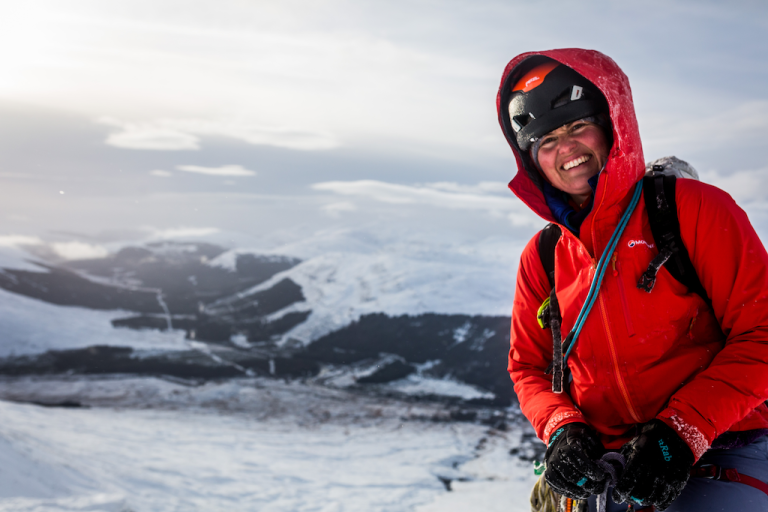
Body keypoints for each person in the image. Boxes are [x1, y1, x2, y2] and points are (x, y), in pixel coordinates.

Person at [497, 48, 768, 511]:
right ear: (531, 160)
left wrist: (681, 432)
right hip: (606, 460)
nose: (566, 149)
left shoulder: (692, 210)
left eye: (577, 127)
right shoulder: (543, 255)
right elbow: (530, 367)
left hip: (724, 441)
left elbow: (760, 332)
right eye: (545, 140)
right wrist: (562, 427)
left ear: (613, 126)